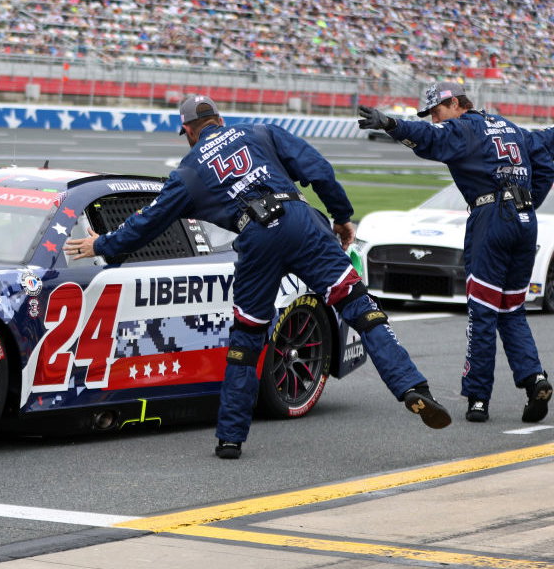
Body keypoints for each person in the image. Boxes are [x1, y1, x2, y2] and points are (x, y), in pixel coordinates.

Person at [64, 94, 451, 460]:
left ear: (191, 131)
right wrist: (342, 215)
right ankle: (413, 387)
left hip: (257, 236)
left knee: (247, 338)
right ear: (219, 120)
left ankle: (230, 438)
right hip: (303, 223)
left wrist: (103, 246)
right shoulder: (259, 131)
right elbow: (319, 170)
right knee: (359, 308)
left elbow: (147, 223)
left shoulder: (187, 173)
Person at [359, 81, 554, 424]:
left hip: (491, 218)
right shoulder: (510, 127)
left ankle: (478, 399)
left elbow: (429, 138)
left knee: (482, 312)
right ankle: (535, 379)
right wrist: (529, 201)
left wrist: (391, 124)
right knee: (512, 309)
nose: (435, 120)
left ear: (454, 104)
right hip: (525, 222)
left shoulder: (464, 127)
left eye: (437, 112)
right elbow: (546, 153)